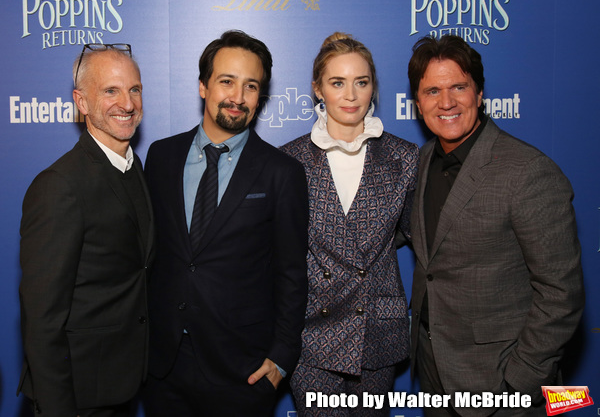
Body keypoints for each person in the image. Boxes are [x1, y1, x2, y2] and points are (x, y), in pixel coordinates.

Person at [407, 35, 584, 416]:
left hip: (500, 384)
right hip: (434, 374)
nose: (447, 102)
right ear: (418, 103)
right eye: (432, 90)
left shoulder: (528, 172)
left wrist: (520, 382)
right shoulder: (421, 161)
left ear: (480, 93)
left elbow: (561, 294)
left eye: (459, 87)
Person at [142, 30, 309, 416]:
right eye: (227, 81)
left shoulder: (281, 172)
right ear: (203, 86)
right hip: (163, 366)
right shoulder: (161, 156)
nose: (238, 97)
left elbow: (291, 273)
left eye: (251, 86)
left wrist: (281, 358)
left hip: (243, 372)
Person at [280, 32, 419, 416]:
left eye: (362, 82)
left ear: (373, 87)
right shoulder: (288, 161)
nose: (351, 95)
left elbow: (409, 233)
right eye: (337, 83)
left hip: (378, 331)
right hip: (311, 336)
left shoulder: (404, 158)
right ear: (317, 89)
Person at [18, 43, 153, 417]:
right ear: (82, 102)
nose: (127, 103)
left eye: (135, 89)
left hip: (123, 385)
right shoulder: (59, 186)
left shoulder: (133, 167)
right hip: (77, 397)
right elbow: (42, 320)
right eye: (110, 90)